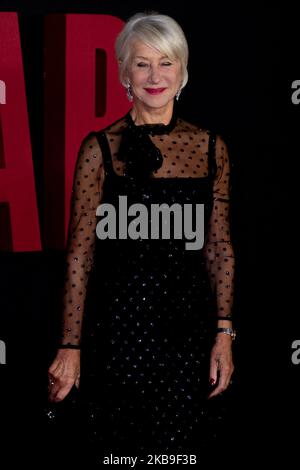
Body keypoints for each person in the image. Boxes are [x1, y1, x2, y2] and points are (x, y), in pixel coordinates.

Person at [48, 11, 235, 464]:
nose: (156, 76)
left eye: (166, 62)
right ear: (124, 74)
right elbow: (80, 254)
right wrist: (70, 346)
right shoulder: (100, 148)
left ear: (183, 71)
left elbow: (219, 247)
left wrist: (224, 332)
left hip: (186, 335)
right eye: (142, 63)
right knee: (117, 453)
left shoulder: (211, 147)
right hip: (116, 332)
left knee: (182, 453)